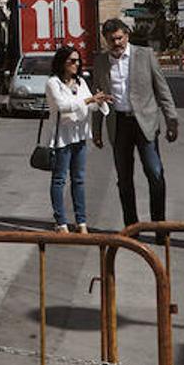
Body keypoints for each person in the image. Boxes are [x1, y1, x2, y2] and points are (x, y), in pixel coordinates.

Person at [91, 19, 180, 228]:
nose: (117, 43)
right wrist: (96, 130)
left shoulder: (145, 55)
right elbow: (98, 97)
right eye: (112, 39)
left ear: (127, 36)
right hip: (118, 124)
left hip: (145, 123)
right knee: (124, 179)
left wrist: (171, 120)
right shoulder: (101, 62)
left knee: (155, 172)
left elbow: (162, 89)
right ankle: (131, 226)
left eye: (120, 38)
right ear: (106, 40)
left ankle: (159, 225)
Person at [44, 45, 112, 233]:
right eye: (72, 60)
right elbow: (62, 106)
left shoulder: (81, 82)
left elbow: (89, 107)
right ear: (62, 62)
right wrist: (88, 101)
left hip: (80, 136)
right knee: (59, 179)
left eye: (78, 60)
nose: (76, 64)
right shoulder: (53, 83)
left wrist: (100, 101)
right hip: (62, 138)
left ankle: (81, 221)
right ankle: (61, 222)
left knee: (79, 179)